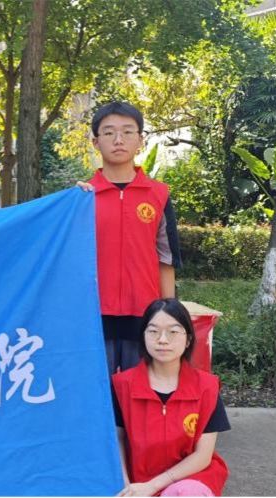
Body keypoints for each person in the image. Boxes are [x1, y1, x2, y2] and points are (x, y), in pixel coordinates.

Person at [80, 102, 182, 375]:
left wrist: (169, 312)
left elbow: (166, 258)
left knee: (139, 391)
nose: (118, 140)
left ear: (140, 140)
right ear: (95, 142)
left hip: (145, 312)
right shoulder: (82, 197)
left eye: (127, 132)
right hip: (93, 313)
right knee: (99, 390)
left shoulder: (159, 194)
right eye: (109, 132)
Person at [112, 298, 229, 497]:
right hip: (136, 480)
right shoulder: (121, 385)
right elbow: (117, 442)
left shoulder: (207, 387)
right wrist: (126, 486)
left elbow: (203, 455)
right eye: (153, 331)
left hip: (189, 479)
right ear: (143, 336)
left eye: (173, 332)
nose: (163, 340)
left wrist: (153, 486)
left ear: (188, 339)